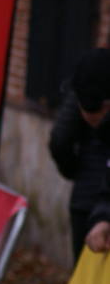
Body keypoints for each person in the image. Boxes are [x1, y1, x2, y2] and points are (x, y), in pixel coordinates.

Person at [49, 48, 110, 261]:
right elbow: (60, 138)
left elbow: (60, 139)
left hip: (88, 197)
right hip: (93, 199)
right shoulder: (91, 74)